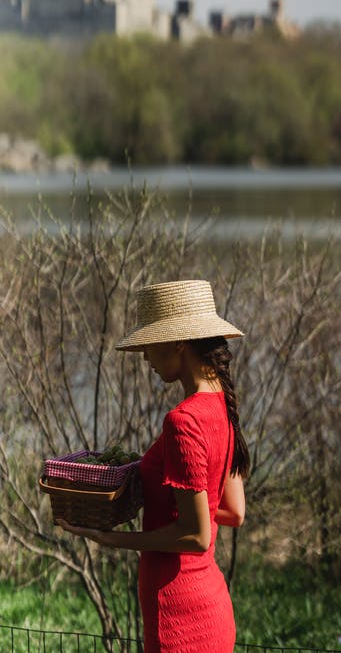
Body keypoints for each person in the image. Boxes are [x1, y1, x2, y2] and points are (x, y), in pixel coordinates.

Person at [57, 280, 249, 653]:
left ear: (178, 342)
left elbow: (196, 536)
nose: (144, 355)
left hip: (178, 618)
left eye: (149, 343)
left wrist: (110, 538)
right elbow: (232, 510)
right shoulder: (223, 406)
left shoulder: (184, 421)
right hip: (212, 610)